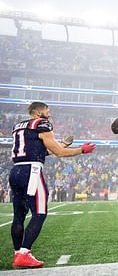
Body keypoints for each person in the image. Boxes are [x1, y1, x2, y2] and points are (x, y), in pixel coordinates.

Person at [9, 102, 96, 268]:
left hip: (16, 171)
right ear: (38, 111)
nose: (49, 113)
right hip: (32, 171)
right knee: (39, 212)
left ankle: (17, 253)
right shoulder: (42, 123)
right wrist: (81, 150)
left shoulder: (19, 126)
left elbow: (42, 150)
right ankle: (24, 252)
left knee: (19, 216)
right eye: (47, 110)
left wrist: (63, 144)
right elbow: (59, 153)